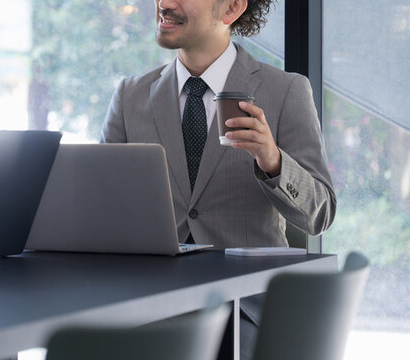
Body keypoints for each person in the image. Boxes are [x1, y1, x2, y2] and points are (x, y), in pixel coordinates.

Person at [100, 0, 336, 358]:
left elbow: (320, 214)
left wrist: (272, 160)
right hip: (149, 305)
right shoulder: (130, 96)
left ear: (231, 8)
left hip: (245, 312)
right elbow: (98, 208)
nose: (163, 3)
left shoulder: (285, 91)